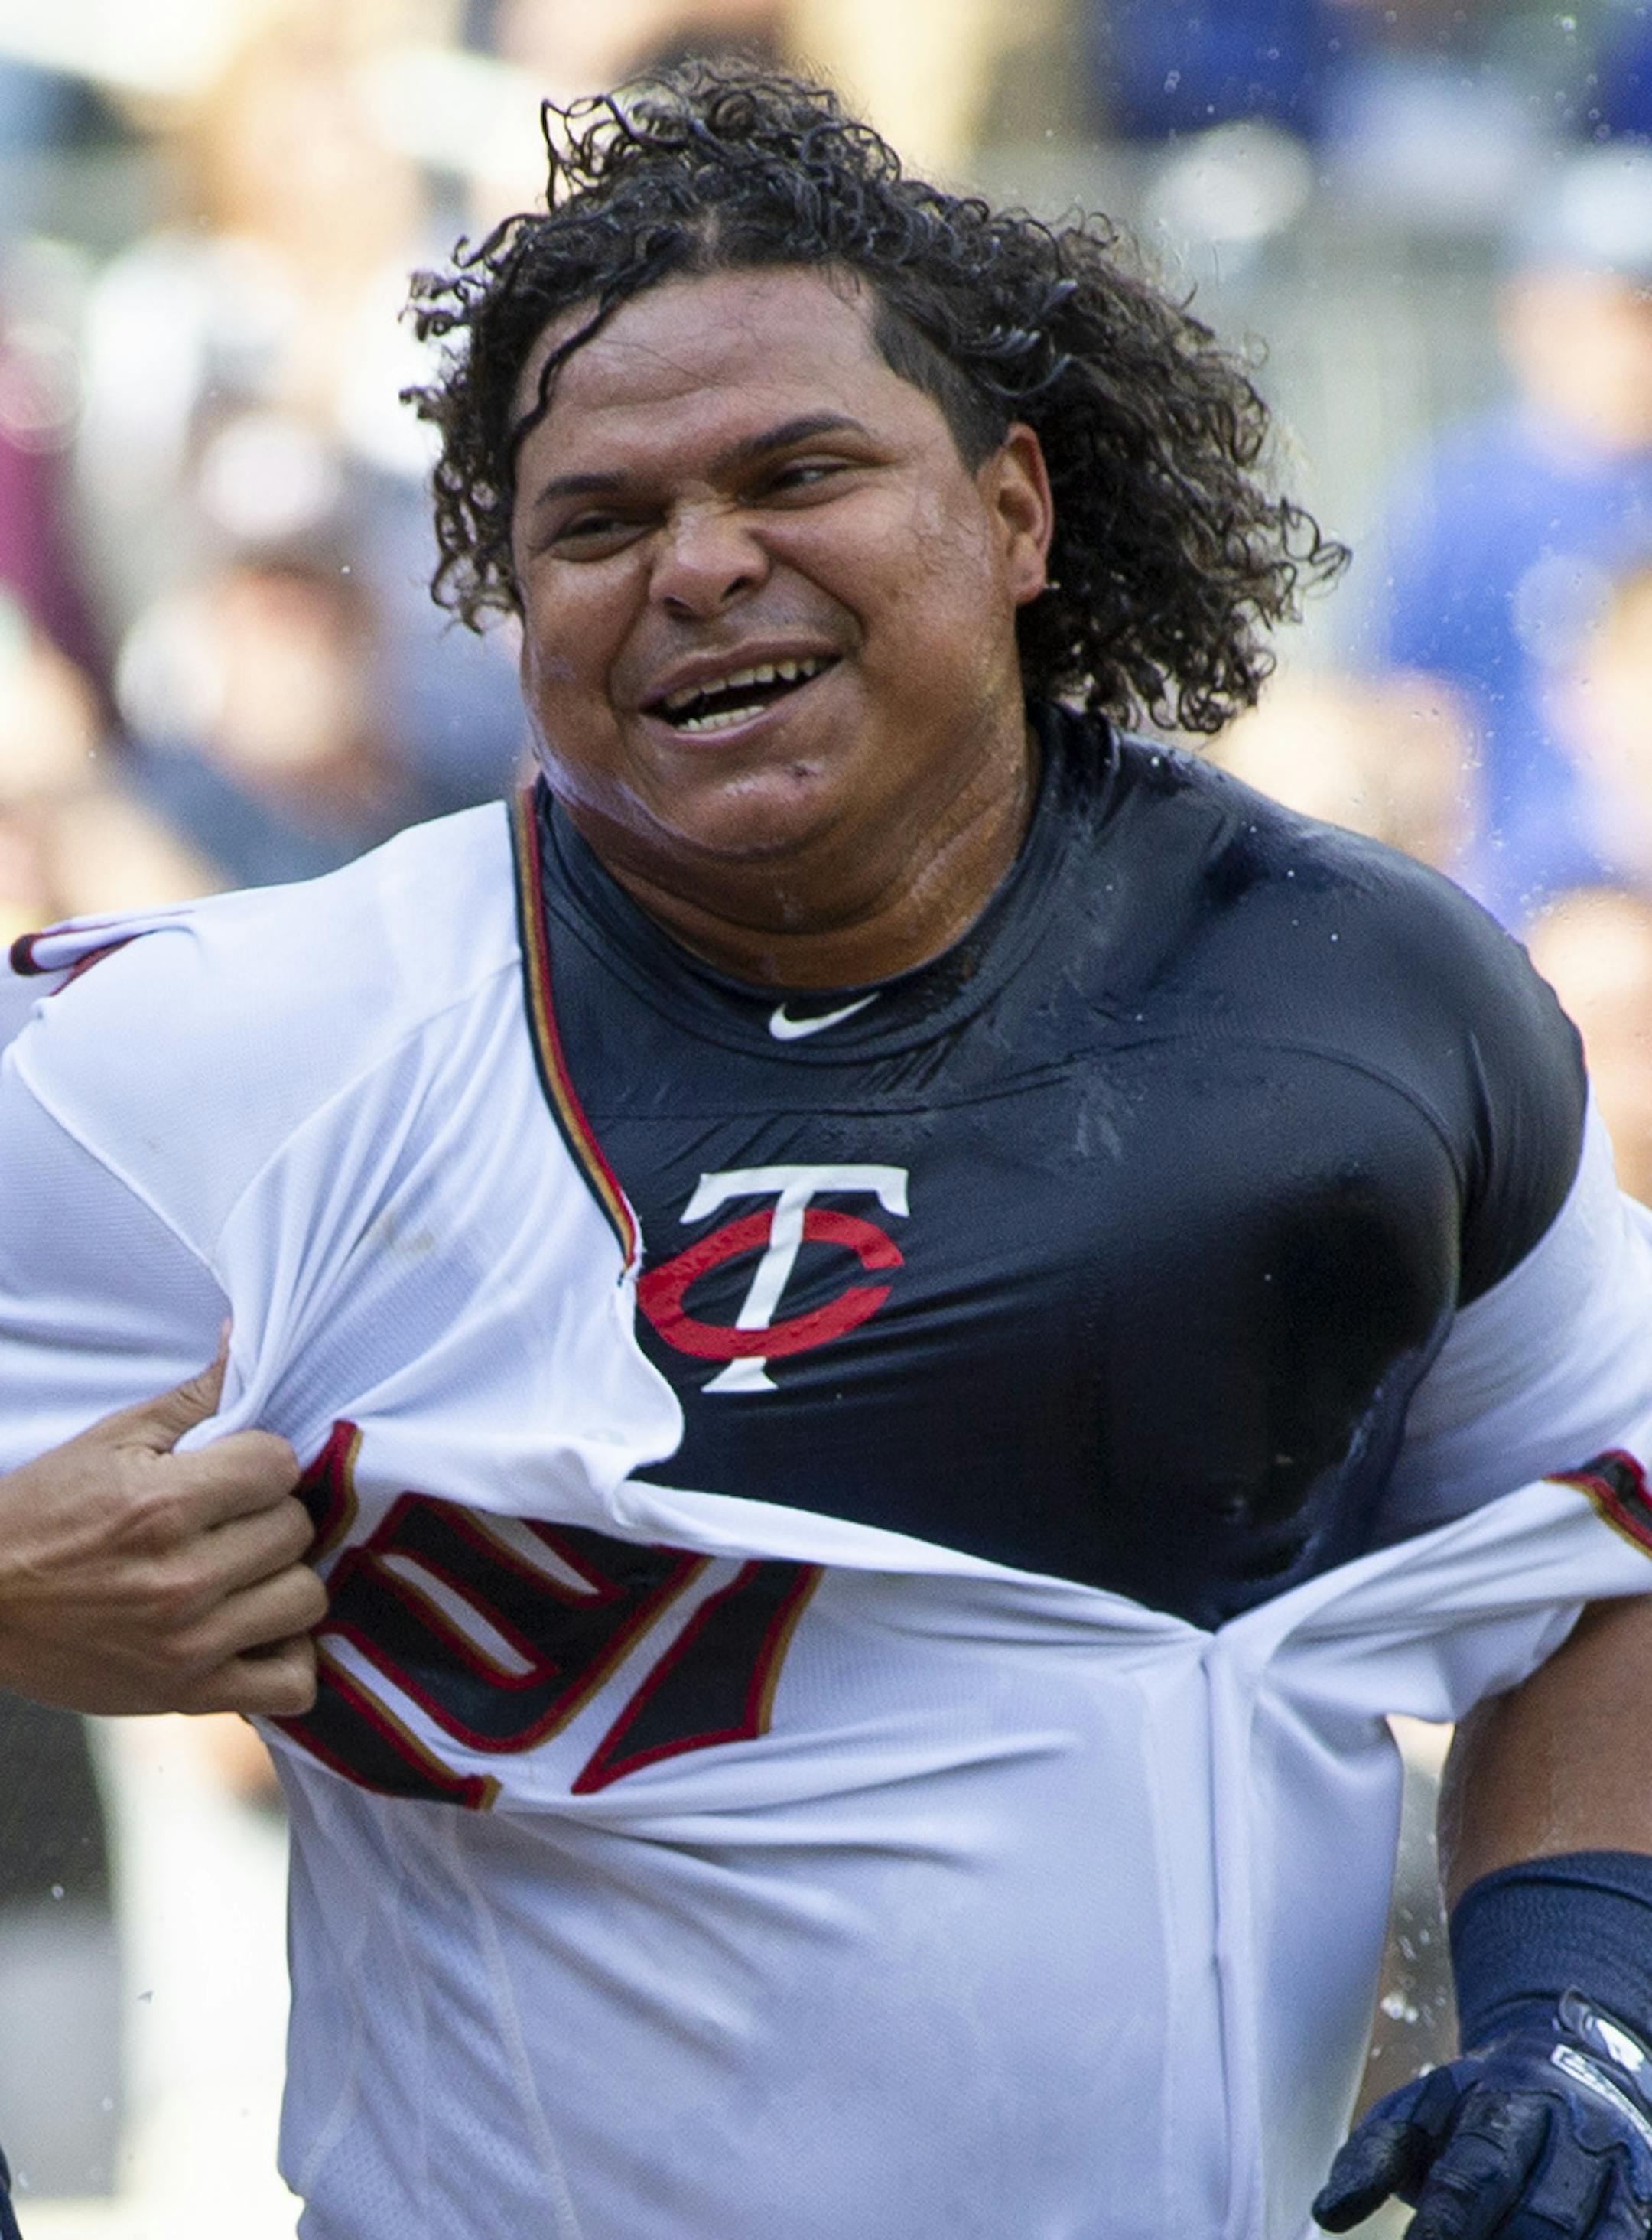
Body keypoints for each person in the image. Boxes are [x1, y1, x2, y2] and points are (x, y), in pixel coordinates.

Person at [6, 62, 1652, 2240]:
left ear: (1018, 510)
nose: (701, 565)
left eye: (800, 473)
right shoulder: (235, 1055)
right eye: (596, 524)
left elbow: (1606, 1562)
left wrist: (1580, 2011)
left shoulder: (1362, 999)